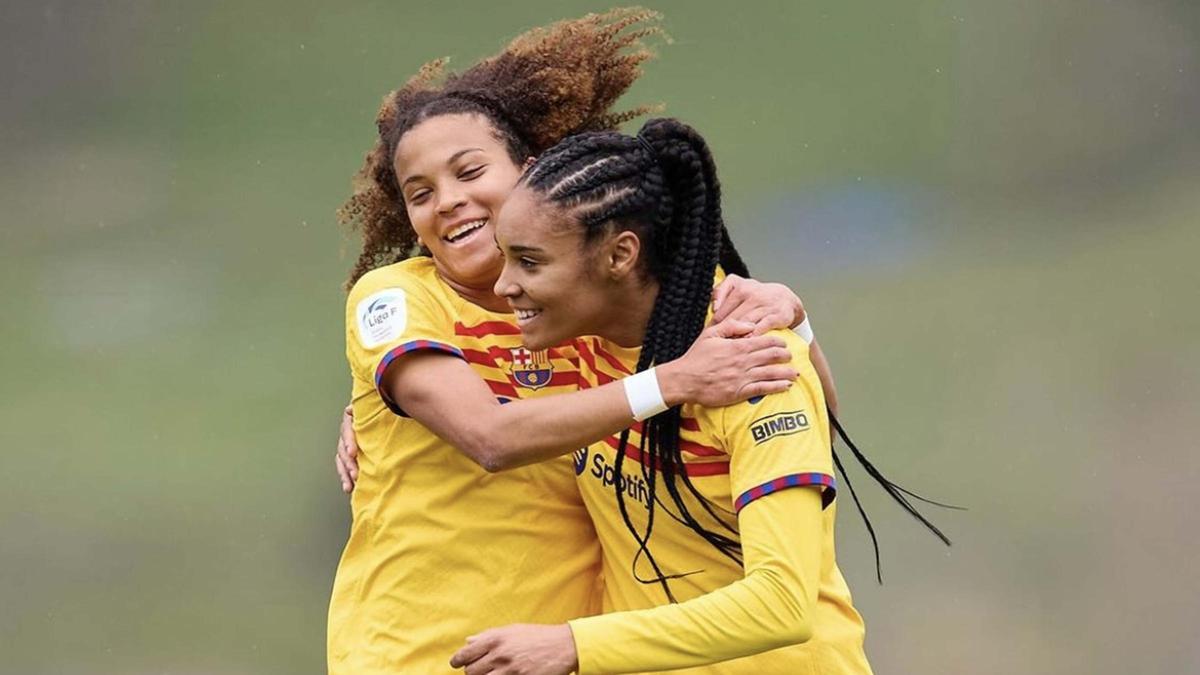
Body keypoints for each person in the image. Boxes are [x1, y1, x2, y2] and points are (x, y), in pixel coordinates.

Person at [327, 11, 827, 674]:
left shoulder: (589, 312)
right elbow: (491, 435)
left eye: (469, 171)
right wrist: (675, 381)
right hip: (419, 656)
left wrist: (794, 319)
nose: (447, 201)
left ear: (531, 172)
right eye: (420, 194)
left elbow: (802, 406)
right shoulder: (396, 301)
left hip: (561, 656)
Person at [449, 119, 874, 674]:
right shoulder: (572, 340)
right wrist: (374, 402)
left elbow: (782, 605)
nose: (504, 286)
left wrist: (574, 645)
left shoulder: (747, 362)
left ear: (620, 255)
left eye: (529, 262)